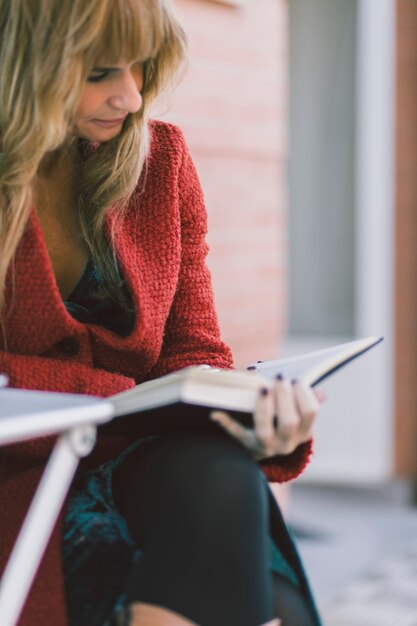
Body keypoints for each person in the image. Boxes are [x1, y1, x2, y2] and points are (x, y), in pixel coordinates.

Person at [0, 1, 324, 625]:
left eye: (141, 67)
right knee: (252, 577)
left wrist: (253, 418)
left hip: (144, 468)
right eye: (99, 72)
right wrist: (118, 398)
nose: (129, 96)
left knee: (220, 472)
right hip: (22, 479)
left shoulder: (161, 164)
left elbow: (194, 352)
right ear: (22, 65)